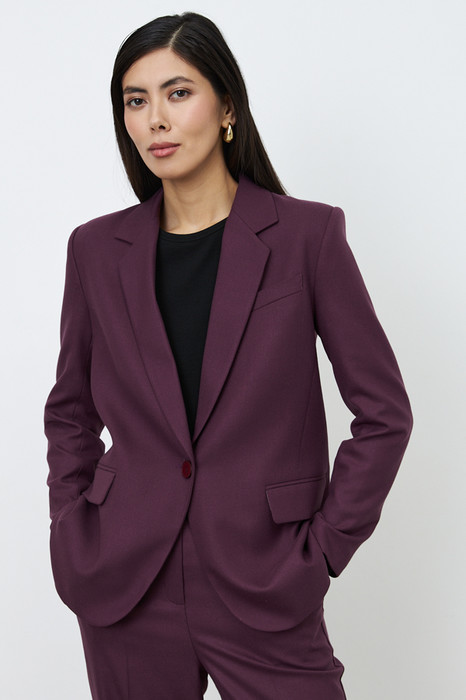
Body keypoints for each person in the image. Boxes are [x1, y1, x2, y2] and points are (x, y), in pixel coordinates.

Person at [43, 11, 413, 700]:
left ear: (228, 109)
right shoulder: (94, 250)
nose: (156, 118)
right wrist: (72, 528)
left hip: (266, 580)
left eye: (178, 92)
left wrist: (324, 549)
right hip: (127, 582)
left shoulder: (307, 237)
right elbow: (69, 412)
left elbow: (385, 413)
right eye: (136, 100)